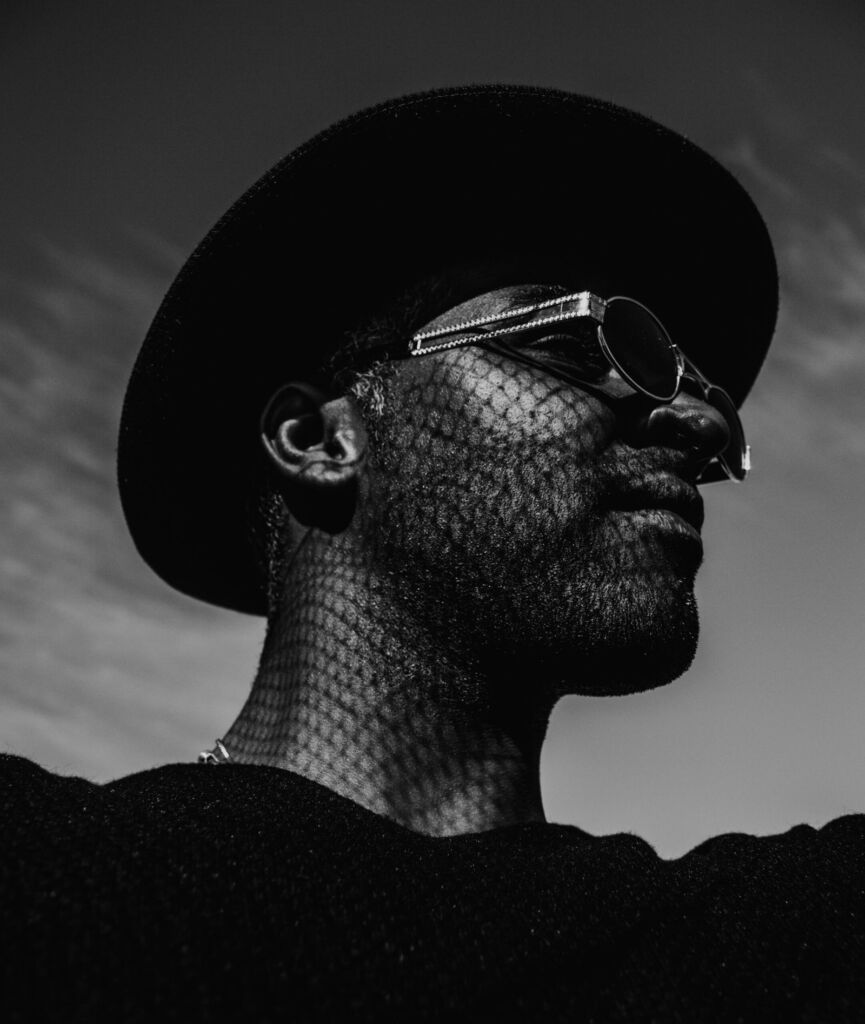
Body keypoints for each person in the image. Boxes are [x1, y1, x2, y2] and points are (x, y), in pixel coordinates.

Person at [2, 85, 862, 1022]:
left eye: (701, 389)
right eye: (580, 349)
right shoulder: (46, 881)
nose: (699, 424)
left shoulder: (771, 947)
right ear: (319, 440)